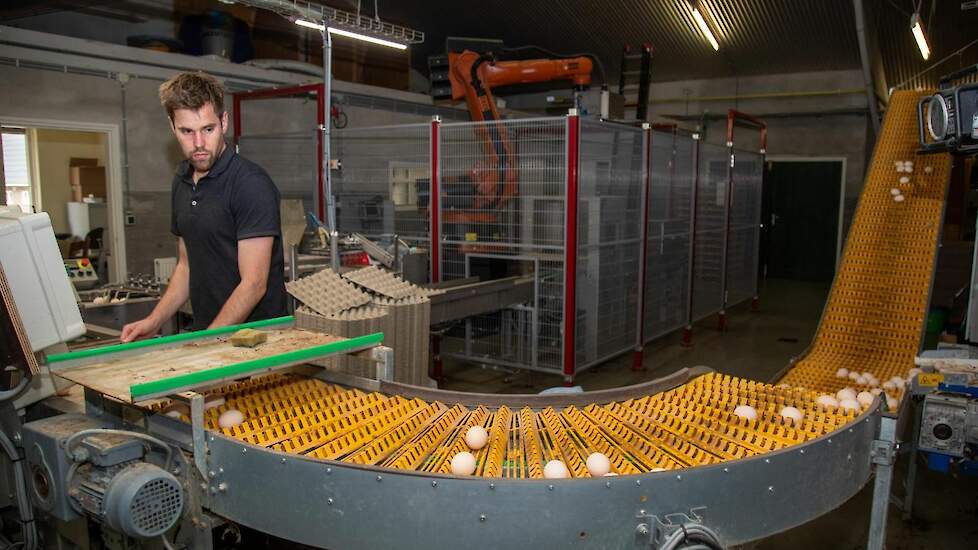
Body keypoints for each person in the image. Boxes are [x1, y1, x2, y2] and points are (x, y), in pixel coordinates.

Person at [120, 71, 286, 342]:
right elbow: (187, 266)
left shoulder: (250, 184)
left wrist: (208, 342)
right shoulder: (182, 181)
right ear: (172, 127)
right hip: (211, 332)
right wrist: (154, 320)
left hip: (257, 342)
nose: (198, 144)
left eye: (208, 129)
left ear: (224, 122)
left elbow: (254, 284)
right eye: (187, 131)